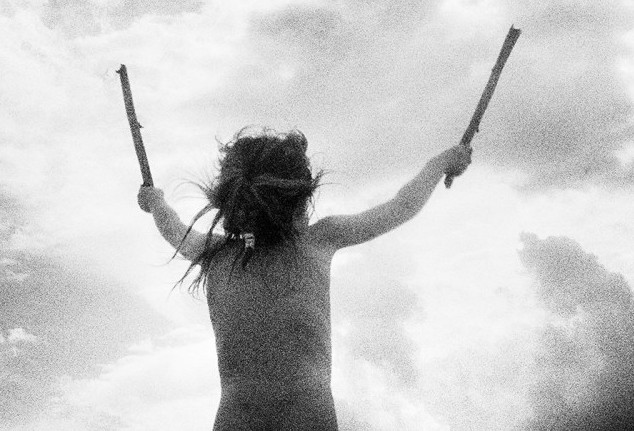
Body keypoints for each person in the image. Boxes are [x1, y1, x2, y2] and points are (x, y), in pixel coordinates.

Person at [137, 128, 472, 431]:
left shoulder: (216, 253)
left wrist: (155, 201)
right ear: (301, 200)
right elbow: (401, 207)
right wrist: (440, 162)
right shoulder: (319, 240)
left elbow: (171, 227)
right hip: (307, 415)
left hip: (239, 417)